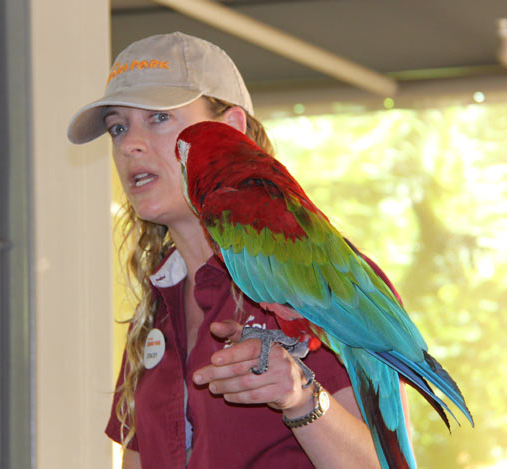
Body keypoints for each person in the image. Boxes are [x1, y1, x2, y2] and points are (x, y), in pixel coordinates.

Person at [67, 31, 398, 468]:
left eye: (159, 118)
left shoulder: (320, 273)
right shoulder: (154, 314)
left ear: (231, 131)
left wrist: (300, 398)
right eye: (118, 127)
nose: (130, 144)